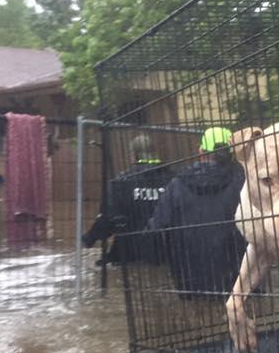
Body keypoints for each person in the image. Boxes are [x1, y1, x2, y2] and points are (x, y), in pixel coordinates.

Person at [146, 127, 247, 296]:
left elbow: (156, 228)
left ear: (201, 152)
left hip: (188, 281)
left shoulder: (177, 184)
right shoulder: (245, 182)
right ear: (233, 153)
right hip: (239, 283)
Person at [82, 134, 172, 265]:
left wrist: (89, 239)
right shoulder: (173, 179)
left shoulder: (122, 181)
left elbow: (107, 219)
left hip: (129, 253)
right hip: (166, 254)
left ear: (133, 155)